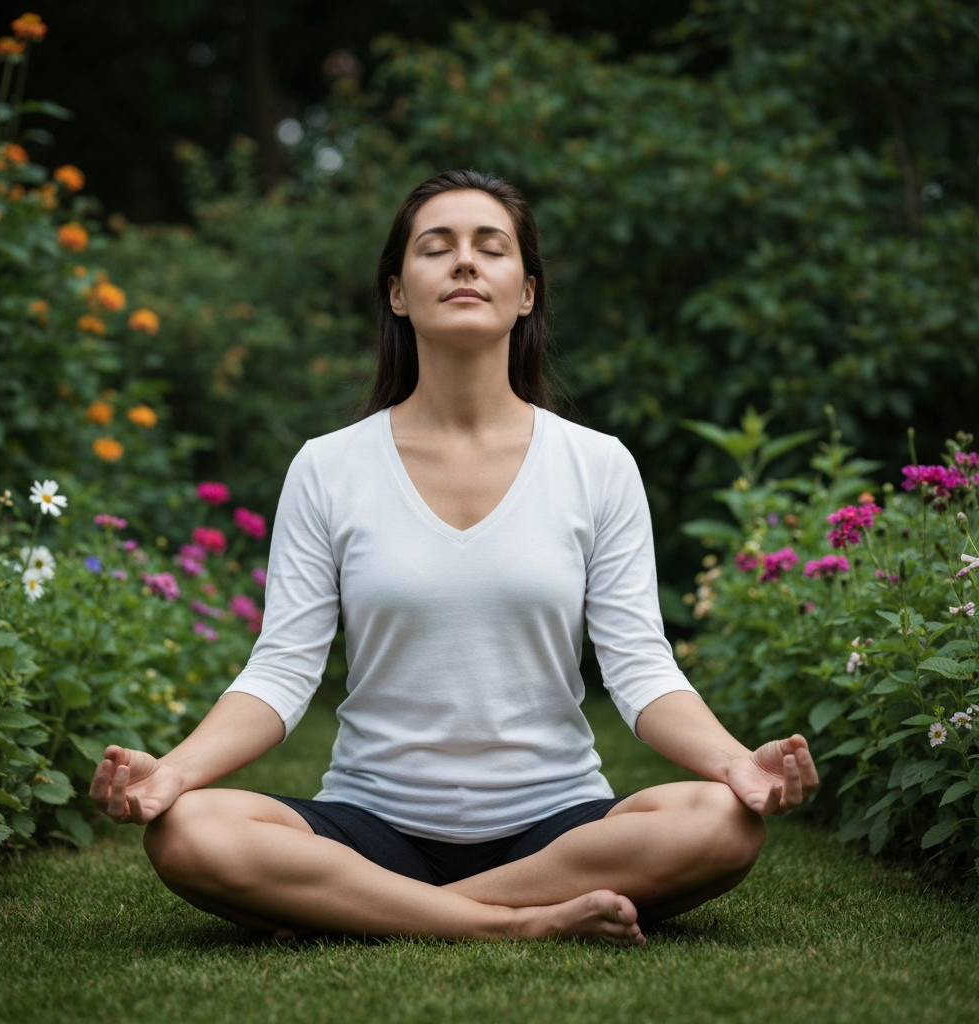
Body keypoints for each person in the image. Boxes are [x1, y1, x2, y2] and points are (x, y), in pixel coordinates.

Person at [90, 170, 819, 947]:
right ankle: (509, 927)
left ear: (527, 292)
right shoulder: (327, 467)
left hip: (557, 828)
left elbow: (640, 667)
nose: (465, 264)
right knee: (189, 830)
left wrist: (737, 762)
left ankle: (373, 908)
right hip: (368, 824)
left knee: (721, 823)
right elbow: (281, 672)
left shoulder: (597, 465)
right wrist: (176, 770)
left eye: (490, 248)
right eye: (436, 249)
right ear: (399, 292)